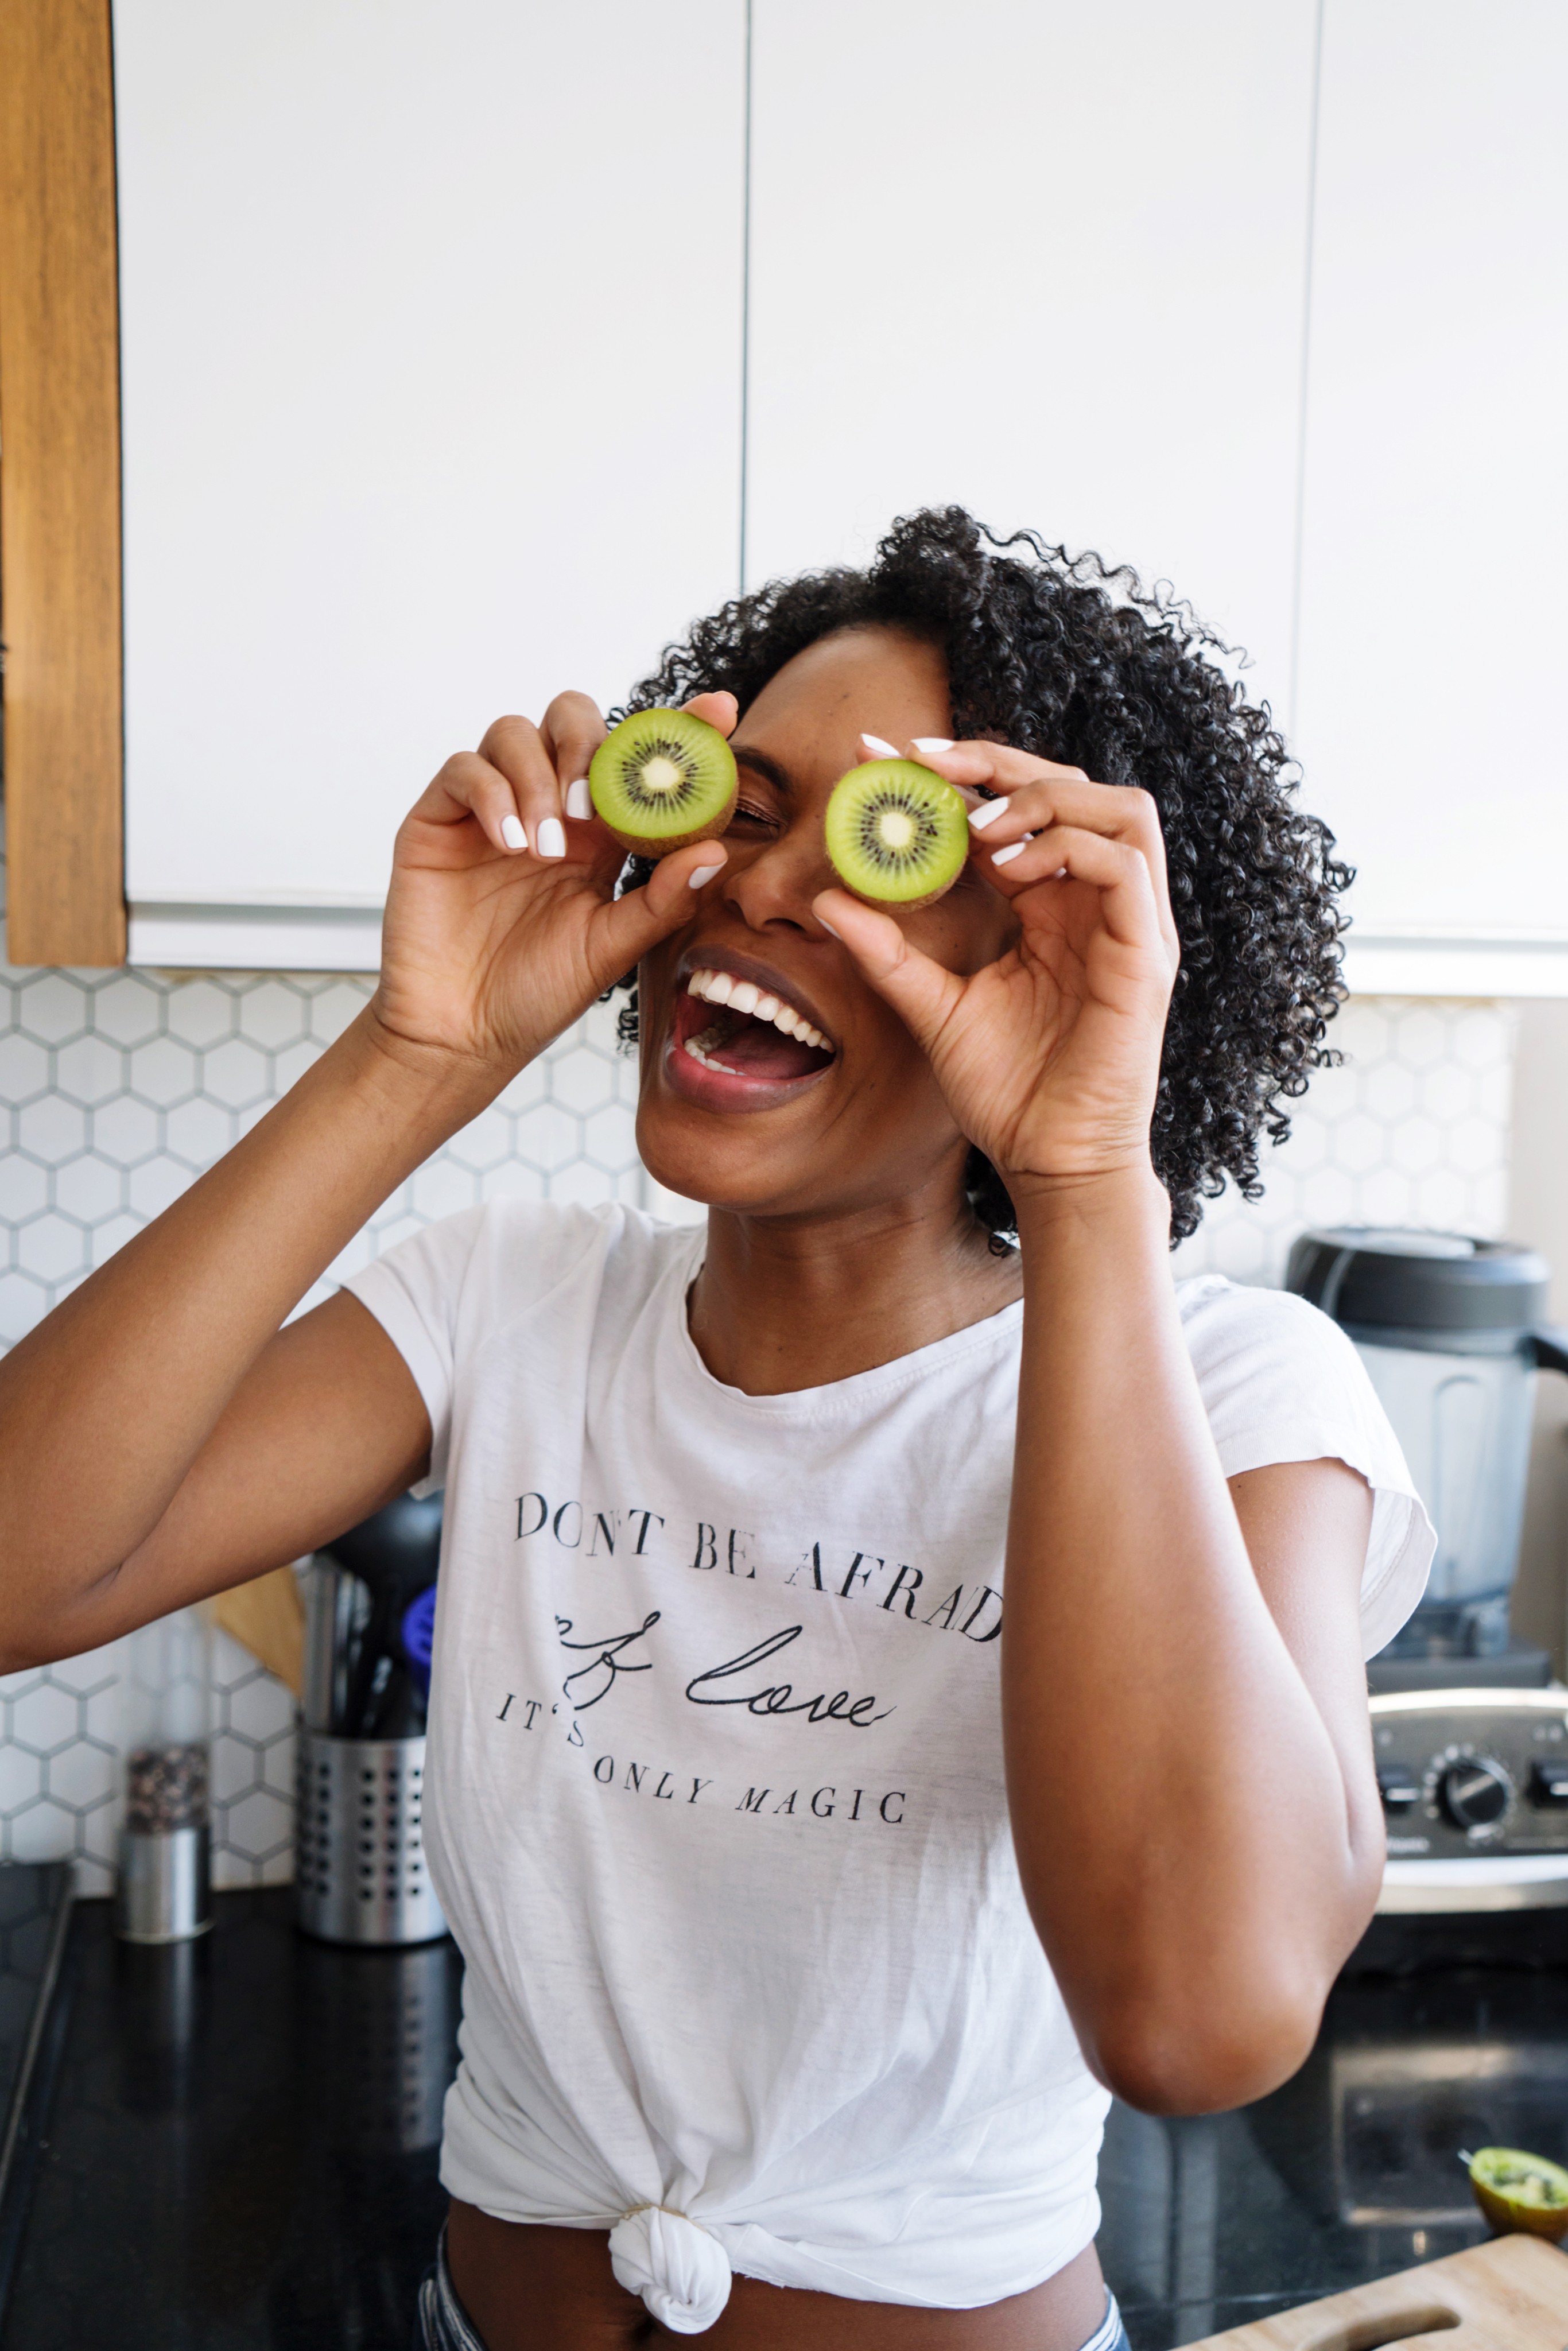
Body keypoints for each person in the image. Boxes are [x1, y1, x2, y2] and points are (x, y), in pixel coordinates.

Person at [0, 511, 1431, 2350]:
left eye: (882, 845)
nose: (761, 891)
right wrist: (417, 1053)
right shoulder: (509, 1303)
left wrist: (1084, 1176)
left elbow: (1193, 2021)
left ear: (1062, 957)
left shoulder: (1230, 1385)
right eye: (744, 809)